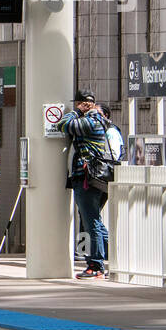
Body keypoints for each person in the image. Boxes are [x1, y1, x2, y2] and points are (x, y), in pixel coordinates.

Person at [57, 89, 110, 279]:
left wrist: (76, 112)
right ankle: (107, 258)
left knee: (91, 222)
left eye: (79, 104)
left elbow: (62, 125)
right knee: (94, 221)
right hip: (95, 178)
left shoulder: (90, 121)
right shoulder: (99, 120)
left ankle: (96, 265)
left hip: (86, 178)